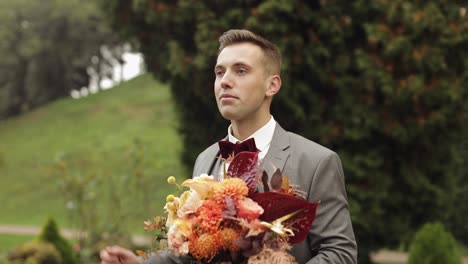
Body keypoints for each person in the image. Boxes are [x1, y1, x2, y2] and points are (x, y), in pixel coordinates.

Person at [100, 29, 357, 264]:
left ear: (272, 85)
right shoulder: (205, 159)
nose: (225, 81)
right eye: (220, 72)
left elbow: (340, 254)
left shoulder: (317, 162)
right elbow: (192, 253)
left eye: (240, 70)